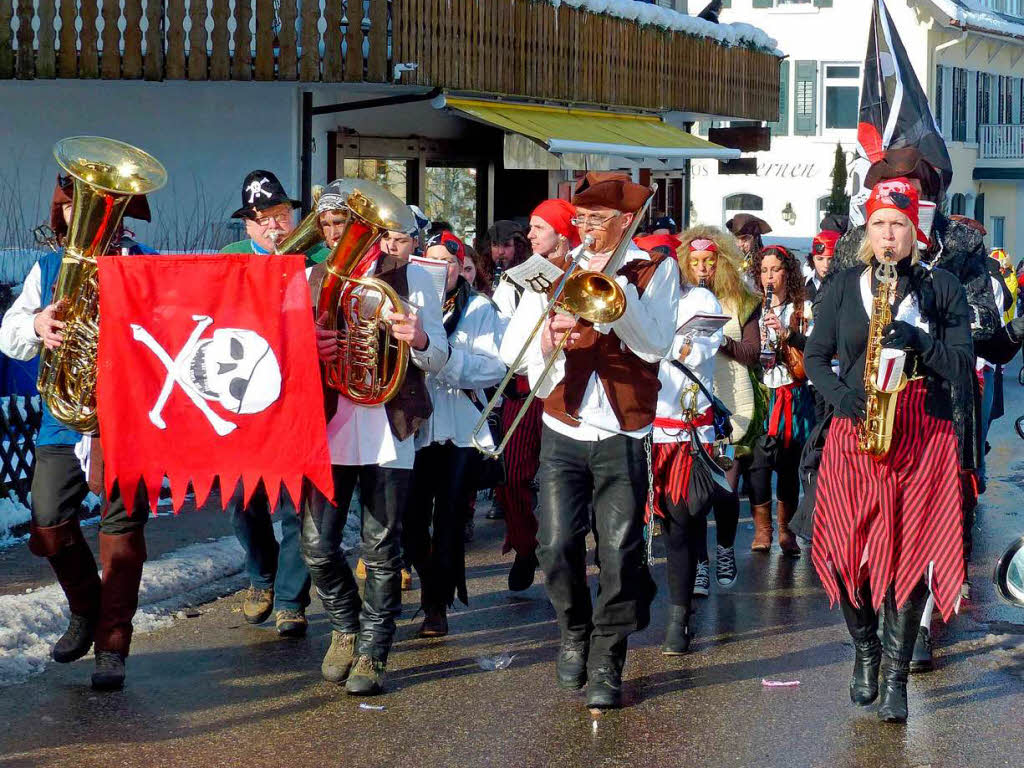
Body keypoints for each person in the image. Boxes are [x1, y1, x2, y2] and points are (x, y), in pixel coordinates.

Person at [502, 172, 680, 709]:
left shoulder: (654, 270)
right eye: (581, 220)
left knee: (622, 552)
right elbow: (515, 351)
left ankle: (608, 655)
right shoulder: (553, 270)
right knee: (555, 544)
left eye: (597, 222)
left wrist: (617, 295)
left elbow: (655, 347)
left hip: (625, 429)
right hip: (564, 425)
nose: (585, 231)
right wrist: (546, 342)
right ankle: (575, 628)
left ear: (625, 223)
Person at [805, 177, 972, 723]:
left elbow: (963, 370)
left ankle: (897, 675)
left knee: (913, 555)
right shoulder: (843, 285)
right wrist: (844, 399)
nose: (889, 235)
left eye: (899, 224)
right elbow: (815, 359)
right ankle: (865, 648)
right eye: (879, 224)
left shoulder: (941, 287)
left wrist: (920, 340)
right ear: (867, 232)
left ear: (915, 232)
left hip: (923, 429)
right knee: (843, 549)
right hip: (858, 426)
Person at [0, 177, 155, 690]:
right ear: (60, 214)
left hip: (129, 417)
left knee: (123, 537)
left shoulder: (147, 262)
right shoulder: (47, 269)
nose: (78, 217)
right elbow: (11, 337)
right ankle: (88, 610)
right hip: (63, 415)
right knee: (47, 521)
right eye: (70, 208)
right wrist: (39, 324)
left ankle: (113, 644)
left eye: (93, 209)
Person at [302, 181, 448, 696]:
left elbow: (439, 357)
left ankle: (373, 651)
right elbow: (287, 354)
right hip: (331, 422)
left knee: (381, 546)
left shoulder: (416, 277)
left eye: (347, 224)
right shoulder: (314, 276)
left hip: (389, 425)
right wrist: (309, 345)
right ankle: (345, 625)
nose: (338, 233)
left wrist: (420, 339)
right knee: (317, 546)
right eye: (331, 225)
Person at [218, 170, 311, 636]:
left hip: (299, 396)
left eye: (280, 214)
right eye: (262, 219)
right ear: (248, 226)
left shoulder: (316, 256)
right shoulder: (228, 260)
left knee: (297, 503)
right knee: (240, 497)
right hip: (243, 398)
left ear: (293, 217)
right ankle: (262, 575)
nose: (273, 226)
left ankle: (292, 599)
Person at [404, 232, 506, 636]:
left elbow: (495, 368)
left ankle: (436, 606)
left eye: (447, 262)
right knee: (409, 522)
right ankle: (432, 579)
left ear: (460, 267)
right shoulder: (409, 305)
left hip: (458, 431)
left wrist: (442, 361)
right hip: (413, 428)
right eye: (429, 260)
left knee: (447, 522)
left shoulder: (479, 308)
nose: (439, 269)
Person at [492, 199, 579, 592]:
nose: (529, 236)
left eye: (538, 228)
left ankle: (565, 558)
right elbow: (509, 351)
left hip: (574, 392)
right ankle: (526, 546)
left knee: (571, 485)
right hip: (530, 388)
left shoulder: (586, 273)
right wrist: (542, 345)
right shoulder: (527, 279)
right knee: (511, 476)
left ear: (562, 233)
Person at [676, 226, 762, 591]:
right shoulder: (675, 297)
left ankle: (725, 549)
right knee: (694, 496)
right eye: (694, 262)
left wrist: (717, 338)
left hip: (730, 404)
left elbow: (752, 353)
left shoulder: (742, 299)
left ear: (722, 263)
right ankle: (700, 564)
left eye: (710, 262)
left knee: (725, 491)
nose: (702, 269)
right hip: (686, 406)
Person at [648, 268, 723, 653]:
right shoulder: (634, 297)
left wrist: (665, 342)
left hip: (684, 432)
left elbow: (704, 348)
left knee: (680, 520)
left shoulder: (701, 300)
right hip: (638, 431)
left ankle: (679, 618)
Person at [749, 245, 814, 557]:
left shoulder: (803, 309)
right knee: (759, 464)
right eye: (763, 270)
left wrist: (785, 332)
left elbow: (814, 350)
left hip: (793, 391)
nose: (768, 276)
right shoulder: (754, 307)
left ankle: (786, 531)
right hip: (763, 393)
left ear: (788, 273)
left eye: (775, 269)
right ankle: (763, 530)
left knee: (788, 465)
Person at [726, 213, 771, 279]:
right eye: (737, 239)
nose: (740, 244)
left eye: (745, 239)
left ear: (755, 239)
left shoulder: (764, 260)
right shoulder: (730, 258)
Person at [806, 230, 840, 302]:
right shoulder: (800, 286)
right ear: (813, 258)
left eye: (830, 259)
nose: (826, 265)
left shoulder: (847, 286)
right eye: (820, 259)